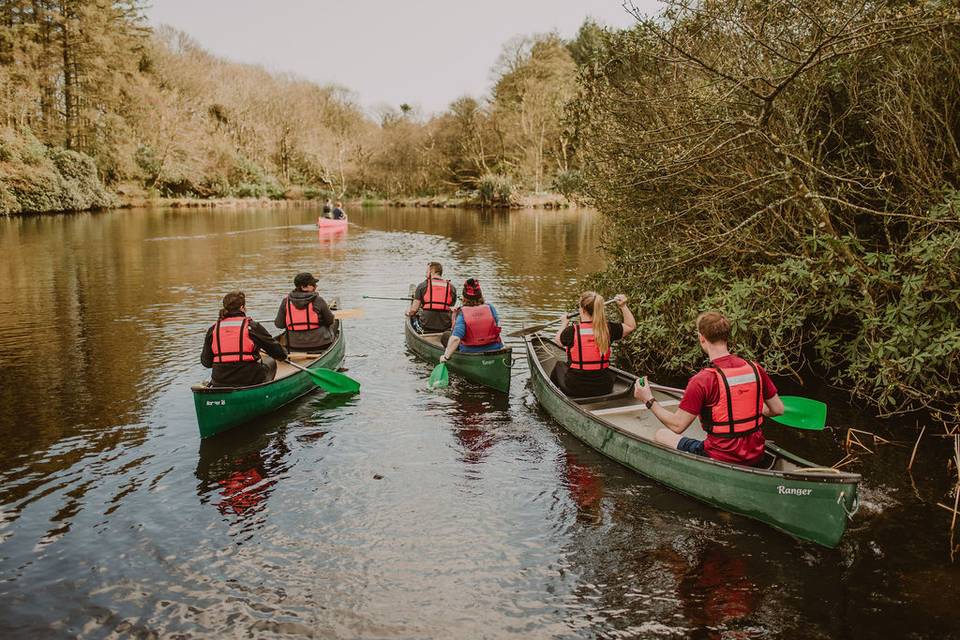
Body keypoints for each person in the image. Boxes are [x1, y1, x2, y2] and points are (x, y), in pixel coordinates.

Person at [632, 310, 785, 466]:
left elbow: (677, 425)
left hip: (719, 456)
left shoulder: (702, 380)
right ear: (727, 336)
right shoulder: (755, 368)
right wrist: (749, 409)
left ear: (702, 338)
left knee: (661, 434)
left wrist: (648, 400)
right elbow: (778, 409)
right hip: (755, 454)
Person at [551, 291, 636, 398]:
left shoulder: (571, 331)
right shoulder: (608, 329)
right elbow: (631, 326)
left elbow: (558, 340)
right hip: (604, 388)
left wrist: (564, 322)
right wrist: (623, 306)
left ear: (583, 310)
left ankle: (553, 395)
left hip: (575, 388)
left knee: (559, 365)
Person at [201, 291, 287, 387]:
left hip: (220, 381)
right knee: (270, 361)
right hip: (248, 380)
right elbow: (279, 353)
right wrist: (283, 354)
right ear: (242, 307)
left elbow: (206, 363)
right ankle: (262, 390)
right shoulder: (252, 326)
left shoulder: (213, 329)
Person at [439, 278, 504, 360]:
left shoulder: (462, 313)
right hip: (494, 348)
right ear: (480, 295)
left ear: (464, 298)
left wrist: (445, 357)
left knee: (445, 336)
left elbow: (456, 338)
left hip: (470, 351)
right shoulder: (490, 308)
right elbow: (497, 327)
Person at [274, 272, 336, 351]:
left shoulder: (286, 301)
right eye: (312, 284)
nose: (315, 286)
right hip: (320, 344)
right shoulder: (318, 300)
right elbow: (330, 321)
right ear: (303, 287)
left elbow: (279, 324)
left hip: (293, 346)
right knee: (333, 325)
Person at [406, 262, 457, 332]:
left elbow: (414, 310)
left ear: (432, 272)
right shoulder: (451, 287)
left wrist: (408, 313)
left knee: (412, 316)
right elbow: (451, 307)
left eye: (427, 271)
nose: (425, 274)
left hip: (426, 324)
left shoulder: (422, 286)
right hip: (445, 325)